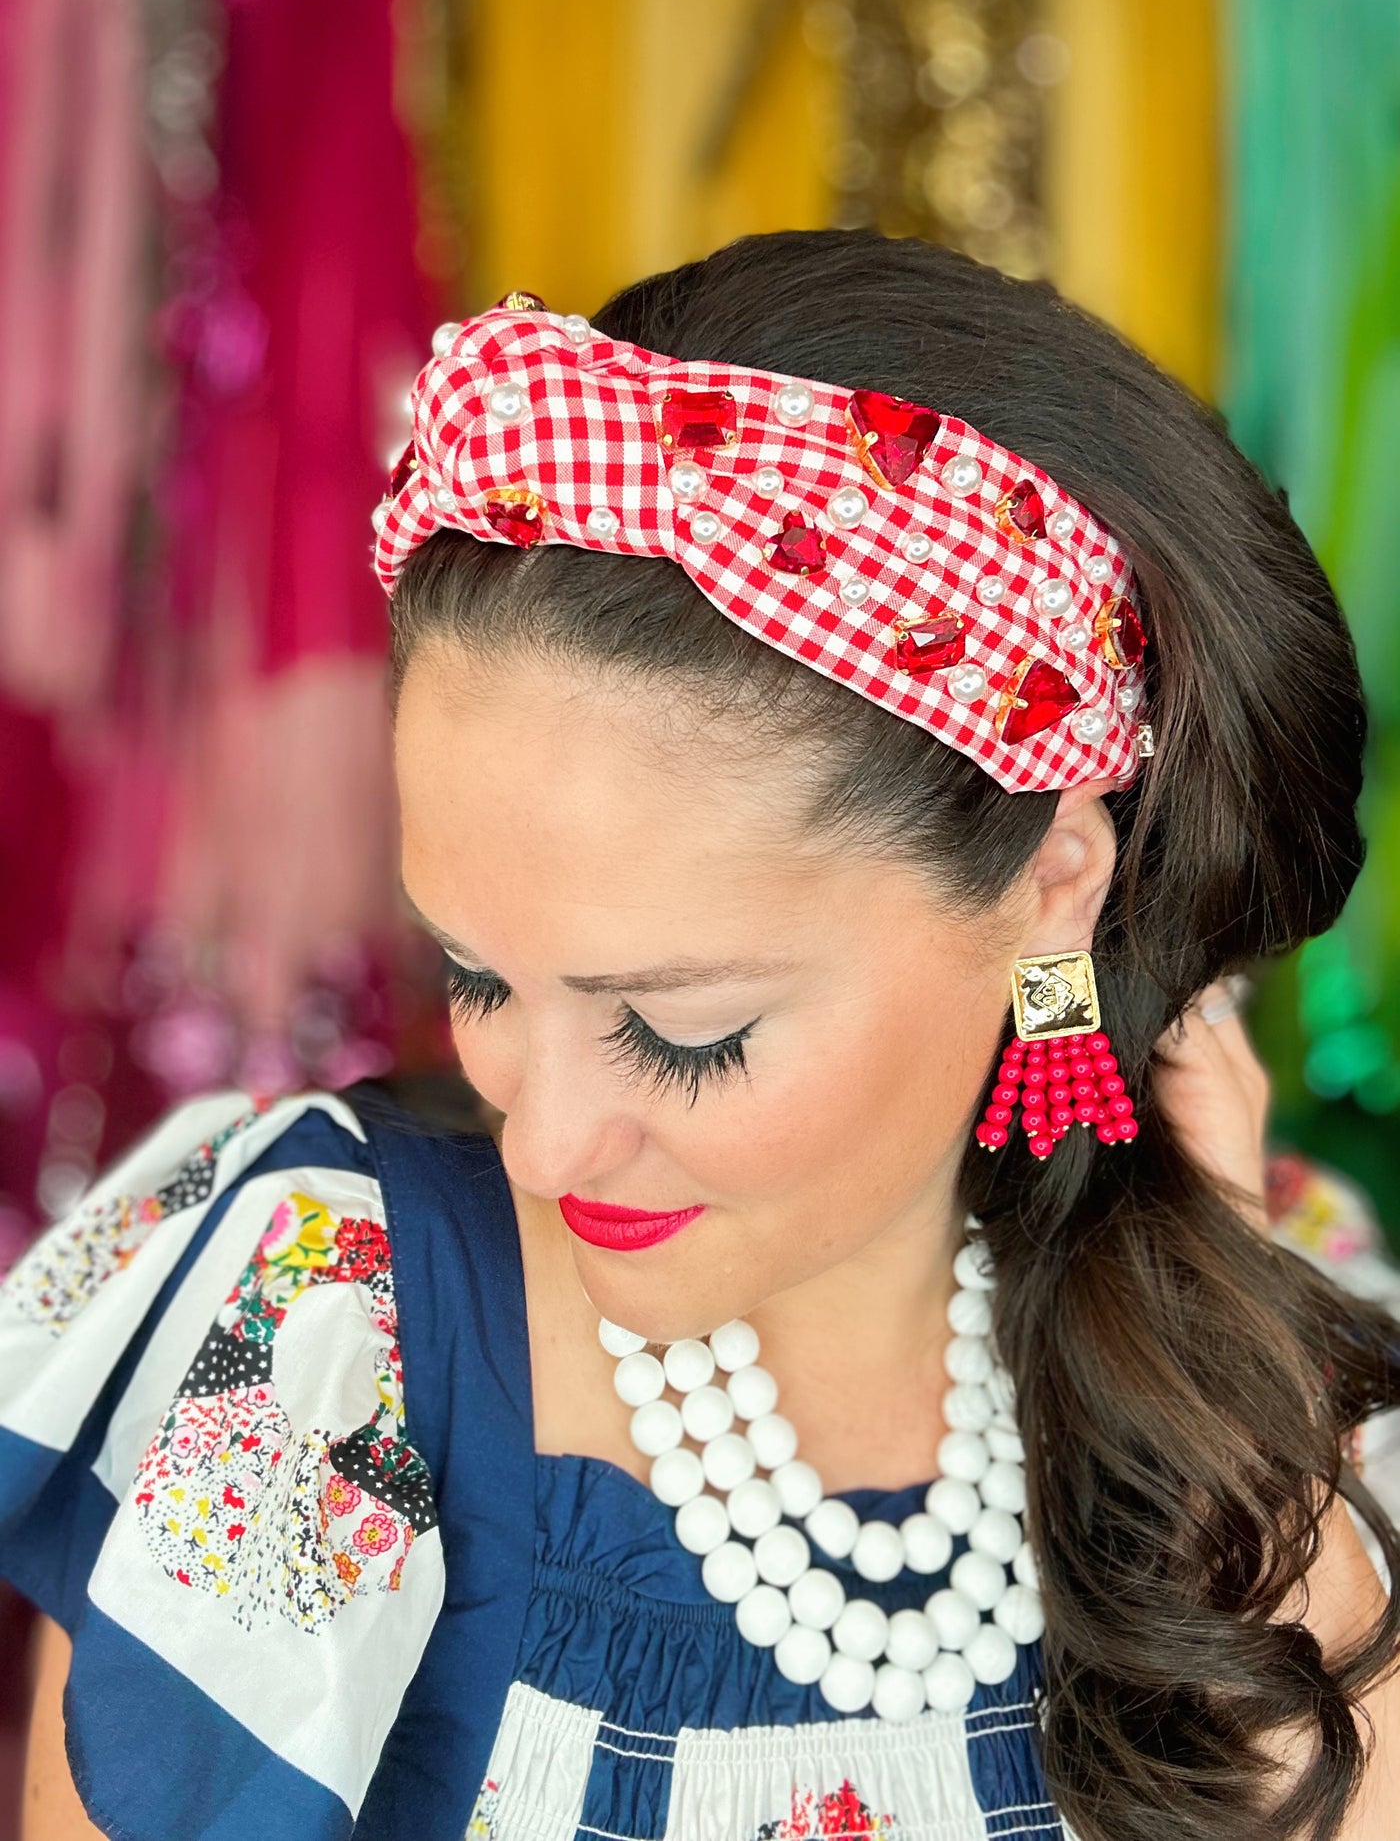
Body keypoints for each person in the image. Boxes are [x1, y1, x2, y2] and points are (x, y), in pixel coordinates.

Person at [5, 229, 1400, 1841]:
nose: (541, 1141)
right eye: (476, 977)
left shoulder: (1277, 1314)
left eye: (680, 1034)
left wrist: (1234, 1403)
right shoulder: (328, 1319)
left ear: (1049, 891)